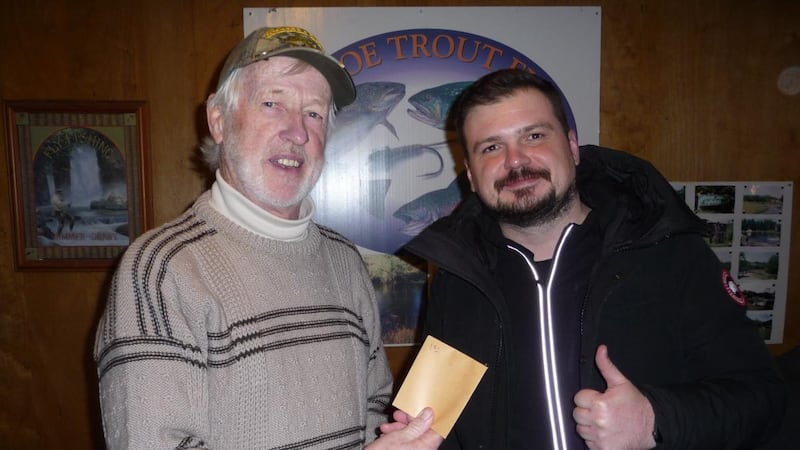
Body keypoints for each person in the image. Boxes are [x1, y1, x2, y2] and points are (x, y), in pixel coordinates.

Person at [94, 26, 442, 450]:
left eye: (314, 113)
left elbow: (373, 408)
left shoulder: (344, 259)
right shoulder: (160, 269)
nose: (297, 132)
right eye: (272, 104)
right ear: (219, 120)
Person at [404, 68, 785, 449]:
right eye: (491, 147)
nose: (515, 161)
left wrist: (654, 419)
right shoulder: (457, 278)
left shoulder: (669, 252)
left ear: (572, 147)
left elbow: (763, 399)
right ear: (471, 176)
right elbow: (434, 420)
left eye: (534, 136)